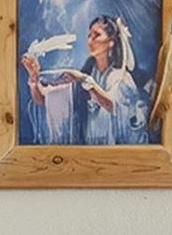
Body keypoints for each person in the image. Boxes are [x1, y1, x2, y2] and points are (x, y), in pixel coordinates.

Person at [20, 13, 152, 144]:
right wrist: (34, 78)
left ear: (111, 41)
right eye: (89, 35)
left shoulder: (121, 78)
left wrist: (84, 80)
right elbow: (44, 100)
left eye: (97, 35)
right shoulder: (85, 77)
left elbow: (115, 108)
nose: (90, 40)